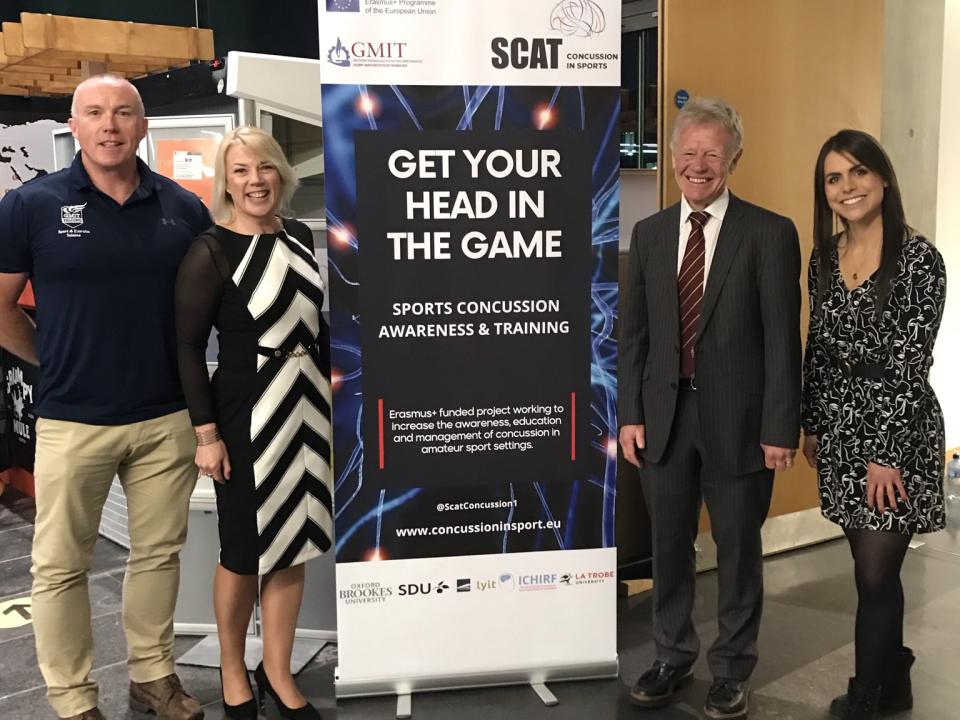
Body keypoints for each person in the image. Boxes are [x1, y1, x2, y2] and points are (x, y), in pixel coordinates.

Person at [0, 75, 211, 720]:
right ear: (76, 125)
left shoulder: (182, 208)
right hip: (71, 418)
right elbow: (1, 307)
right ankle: (71, 699)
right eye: (95, 113)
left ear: (143, 125)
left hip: (165, 417)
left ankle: (153, 678)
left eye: (123, 113)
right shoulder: (30, 205)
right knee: (60, 567)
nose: (110, 125)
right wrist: (53, 359)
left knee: (157, 555)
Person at [619, 96, 801, 720]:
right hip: (664, 424)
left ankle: (731, 669)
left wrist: (781, 425)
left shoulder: (769, 233)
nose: (699, 166)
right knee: (669, 548)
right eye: (688, 153)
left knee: (738, 552)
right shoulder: (647, 236)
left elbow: (783, 339)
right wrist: (630, 414)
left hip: (743, 426)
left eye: (712, 155)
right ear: (672, 158)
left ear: (734, 159)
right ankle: (671, 655)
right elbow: (634, 336)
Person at [174, 126, 333, 720]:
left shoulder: (299, 234)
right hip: (244, 412)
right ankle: (234, 670)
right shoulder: (209, 250)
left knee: (292, 545)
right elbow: (188, 347)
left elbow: (313, 328)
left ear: (281, 174)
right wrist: (206, 435)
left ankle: (278, 671)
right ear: (226, 182)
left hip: (306, 405)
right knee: (242, 550)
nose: (256, 180)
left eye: (264, 167)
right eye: (240, 171)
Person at [801, 130, 946, 720]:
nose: (848, 187)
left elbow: (910, 364)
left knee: (875, 569)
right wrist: (810, 422)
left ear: (883, 178)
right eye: (834, 178)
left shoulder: (919, 259)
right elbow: (818, 348)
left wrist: (885, 454)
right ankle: (898, 673)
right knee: (873, 574)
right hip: (837, 427)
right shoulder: (823, 258)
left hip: (898, 431)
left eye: (859, 172)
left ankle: (868, 692)